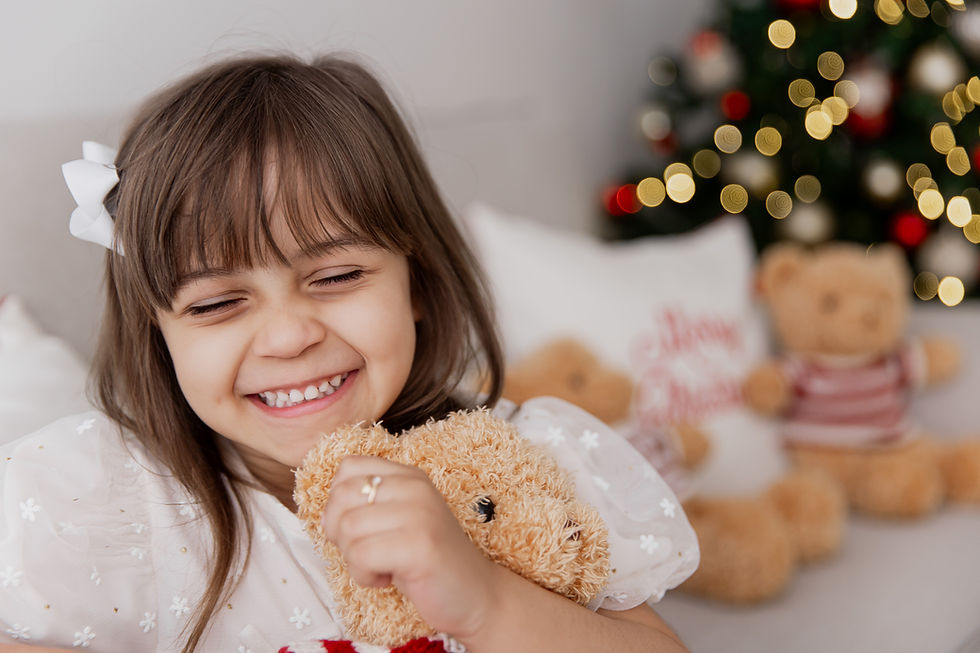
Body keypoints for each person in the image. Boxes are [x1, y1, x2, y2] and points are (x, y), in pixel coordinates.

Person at [0, 54, 697, 652]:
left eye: (336, 278)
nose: (288, 335)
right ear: (160, 334)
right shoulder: (101, 498)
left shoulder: (523, 464)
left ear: (416, 281)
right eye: (216, 303)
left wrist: (488, 601)